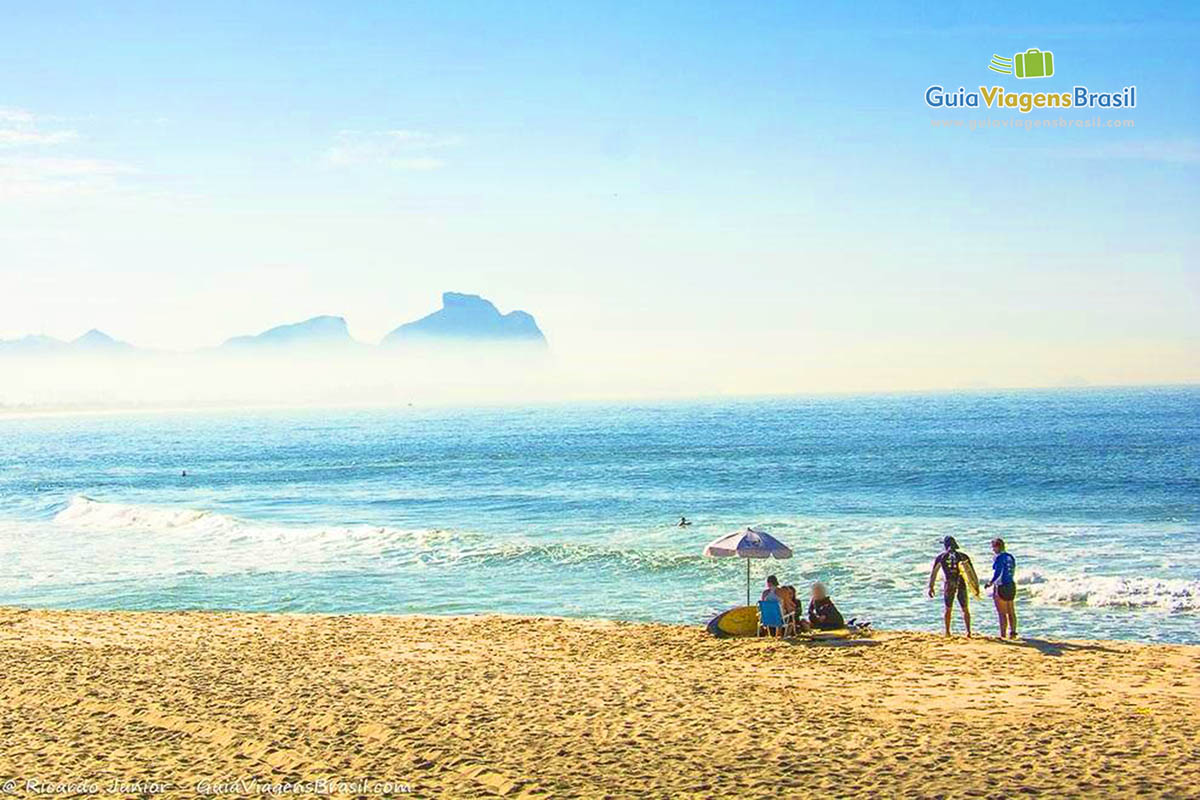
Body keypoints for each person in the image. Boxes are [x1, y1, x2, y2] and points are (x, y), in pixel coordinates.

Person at [928, 536, 973, 637]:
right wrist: (975, 587)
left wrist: (931, 587)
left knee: (948, 608)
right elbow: (971, 573)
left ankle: (948, 632)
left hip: (949, 583)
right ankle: (968, 632)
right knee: (965, 608)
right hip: (961, 582)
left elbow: (934, 572)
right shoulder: (963, 556)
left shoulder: (942, 557)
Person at [985, 537, 1018, 639]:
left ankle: (1003, 635)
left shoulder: (999, 558)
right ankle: (1013, 633)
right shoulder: (1010, 557)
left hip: (1001, 586)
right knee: (1011, 611)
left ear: (997, 547)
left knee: (1002, 613)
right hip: (1011, 585)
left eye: (993, 547)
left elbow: (998, 573)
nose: (993, 550)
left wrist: (990, 583)